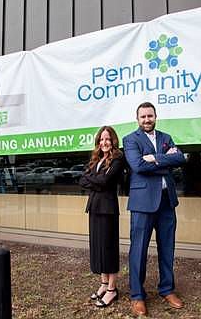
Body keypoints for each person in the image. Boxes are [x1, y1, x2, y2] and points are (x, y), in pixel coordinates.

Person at [123, 102, 186, 316]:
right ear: (137, 119)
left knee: (167, 248)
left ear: (155, 117)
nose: (147, 119)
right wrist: (166, 161)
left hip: (167, 202)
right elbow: (138, 166)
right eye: (143, 116)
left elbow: (180, 158)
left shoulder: (166, 137)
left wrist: (156, 158)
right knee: (138, 250)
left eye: (150, 115)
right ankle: (137, 295)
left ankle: (167, 289)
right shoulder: (131, 139)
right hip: (142, 203)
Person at [79, 126, 125, 308]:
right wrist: (96, 181)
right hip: (95, 207)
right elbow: (82, 180)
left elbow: (106, 182)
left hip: (108, 210)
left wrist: (94, 181)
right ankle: (104, 283)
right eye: (101, 140)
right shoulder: (97, 159)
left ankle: (112, 289)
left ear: (113, 141)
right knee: (98, 246)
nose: (104, 143)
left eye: (107, 139)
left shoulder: (118, 159)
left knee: (108, 248)